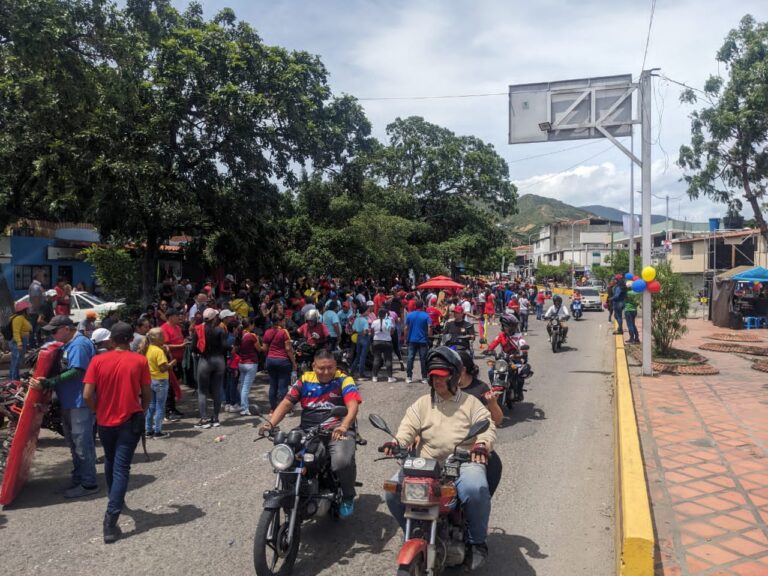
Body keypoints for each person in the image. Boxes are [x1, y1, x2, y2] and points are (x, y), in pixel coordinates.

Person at [381, 346, 496, 570]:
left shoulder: (471, 403)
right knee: (392, 490)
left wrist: (481, 444)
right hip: (426, 464)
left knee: (476, 489)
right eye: (434, 376)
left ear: (454, 376)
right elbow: (407, 427)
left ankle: (476, 542)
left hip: (463, 462)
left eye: (442, 377)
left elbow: (487, 426)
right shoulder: (423, 404)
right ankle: (412, 531)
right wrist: (397, 443)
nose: (437, 381)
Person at [259, 349, 362, 518]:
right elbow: (286, 403)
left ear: (335, 365)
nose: (326, 372)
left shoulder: (344, 379)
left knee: (342, 461)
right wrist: (270, 423)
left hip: (336, 429)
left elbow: (353, 405)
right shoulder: (305, 379)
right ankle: (292, 491)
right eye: (321, 368)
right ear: (314, 366)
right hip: (308, 429)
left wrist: (344, 426)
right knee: (287, 452)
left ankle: (348, 496)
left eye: (330, 367)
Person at [82, 322, 151, 543]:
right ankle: (110, 519)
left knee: (111, 462)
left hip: (105, 421)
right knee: (121, 468)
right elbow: (147, 392)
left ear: (111, 340)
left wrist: (98, 410)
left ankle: (115, 501)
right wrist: (144, 409)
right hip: (129, 419)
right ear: (131, 339)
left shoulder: (97, 360)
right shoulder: (140, 361)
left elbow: (87, 395)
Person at [30, 315, 97, 498]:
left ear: (67, 328)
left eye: (54, 331)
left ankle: (89, 484)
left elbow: (76, 371)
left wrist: (49, 383)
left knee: (83, 444)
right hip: (70, 401)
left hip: (80, 403)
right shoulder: (68, 345)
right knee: (75, 444)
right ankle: (80, 478)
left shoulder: (79, 345)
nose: (52, 335)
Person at [456, 350, 503, 497]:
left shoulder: (481, 389)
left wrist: (493, 403)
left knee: (494, 466)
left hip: (472, 445)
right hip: (445, 441)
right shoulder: (444, 387)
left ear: (462, 369)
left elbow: (496, 420)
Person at [191, 308, 229, 429]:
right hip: (219, 361)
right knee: (216, 390)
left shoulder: (198, 330)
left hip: (205, 360)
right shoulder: (219, 330)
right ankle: (216, 418)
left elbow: (193, 348)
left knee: (202, 392)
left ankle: (204, 419)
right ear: (214, 318)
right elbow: (224, 346)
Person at [139, 327, 174, 439]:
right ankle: (158, 431)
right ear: (157, 338)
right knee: (160, 406)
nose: (164, 337)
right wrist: (172, 363)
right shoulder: (158, 351)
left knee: (151, 406)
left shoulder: (148, 348)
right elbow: (163, 368)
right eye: (162, 336)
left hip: (151, 380)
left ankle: (148, 430)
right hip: (160, 381)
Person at [262, 314, 297, 413]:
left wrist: (270, 356)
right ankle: (284, 409)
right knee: (283, 386)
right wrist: (294, 362)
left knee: (273, 385)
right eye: (284, 321)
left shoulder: (267, 332)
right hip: (283, 361)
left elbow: (264, 348)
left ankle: (273, 409)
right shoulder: (284, 332)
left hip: (270, 360)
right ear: (280, 322)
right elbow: (288, 348)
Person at [159, 308, 186, 420]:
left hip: (178, 361)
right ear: (170, 317)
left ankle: (173, 408)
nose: (178, 317)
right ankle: (168, 411)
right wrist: (180, 346)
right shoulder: (164, 328)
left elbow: (180, 340)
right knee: (169, 386)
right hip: (169, 361)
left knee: (175, 385)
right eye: (176, 315)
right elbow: (164, 345)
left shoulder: (178, 328)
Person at [237, 318, 261, 416]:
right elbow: (259, 349)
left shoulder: (239, 335)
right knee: (246, 388)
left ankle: (243, 404)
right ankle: (244, 408)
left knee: (242, 386)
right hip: (251, 362)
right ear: (250, 325)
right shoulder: (252, 336)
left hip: (241, 362)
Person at [404, 300, 432, 384]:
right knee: (423, 359)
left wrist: (405, 338)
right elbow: (429, 327)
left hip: (412, 340)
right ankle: (424, 377)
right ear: (423, 306)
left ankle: (409, 376)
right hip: (423, 340)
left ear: (415, 306)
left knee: (410, 358)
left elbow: (406, 328)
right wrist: (429, 336)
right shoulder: (426, 316)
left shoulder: (410, 315)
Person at [370, 308, 396, 383]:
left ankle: (374, 377)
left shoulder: (374, 322)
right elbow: (392, 332)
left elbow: (372, 332)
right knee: (388, 359)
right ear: (386, 315)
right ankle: (390, 377)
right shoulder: (388, 322)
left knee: (376, 359)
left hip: (376, 341)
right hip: (387, 342)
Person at [9, 301, 33, 380]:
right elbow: (16, 332)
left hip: (22, 340)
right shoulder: (18, 318)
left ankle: (15, 377)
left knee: (17, 361)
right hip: (18, 342)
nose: (28, 310)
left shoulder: (22, 318)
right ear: (24, 310)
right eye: (27, 309)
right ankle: (13, 379)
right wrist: (19, 343)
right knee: (16, 361)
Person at [351, 303, 371, 380]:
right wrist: (368, 332)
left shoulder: (357, 319)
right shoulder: (365, 320)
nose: (369, 312)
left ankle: (352, 371)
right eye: (368, 311)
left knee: (357, 356)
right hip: (364, 338)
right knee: (363, 357)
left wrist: (360, 333)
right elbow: (366, 331)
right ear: (365, 311)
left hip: (358, 338)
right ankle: (361, 374)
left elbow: (354, 329)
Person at [28, 271, 45, 347]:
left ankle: (38, 342)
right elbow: (36, 300)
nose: (44, 277)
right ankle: (32, 344)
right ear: (38, 276)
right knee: (33, 329)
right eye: (42, 276)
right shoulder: (35, 287)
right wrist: (39, 312)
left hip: (36, 311)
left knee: (37, 329)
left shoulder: (37, 286)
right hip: (35, 312)